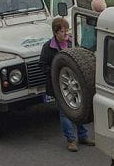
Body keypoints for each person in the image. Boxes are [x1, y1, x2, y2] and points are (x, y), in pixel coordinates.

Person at [40, 16, 94, 152]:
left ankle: (83, 136)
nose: (66, 34)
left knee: (80, 111)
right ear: (55, 33)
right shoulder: (48, 47)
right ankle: (71, 140)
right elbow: (42, 65)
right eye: (63, 32)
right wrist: (55, 72)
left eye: (67, 31)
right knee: (65, 113)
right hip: (60, 86)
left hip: (76, 85)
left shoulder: (72, 42)